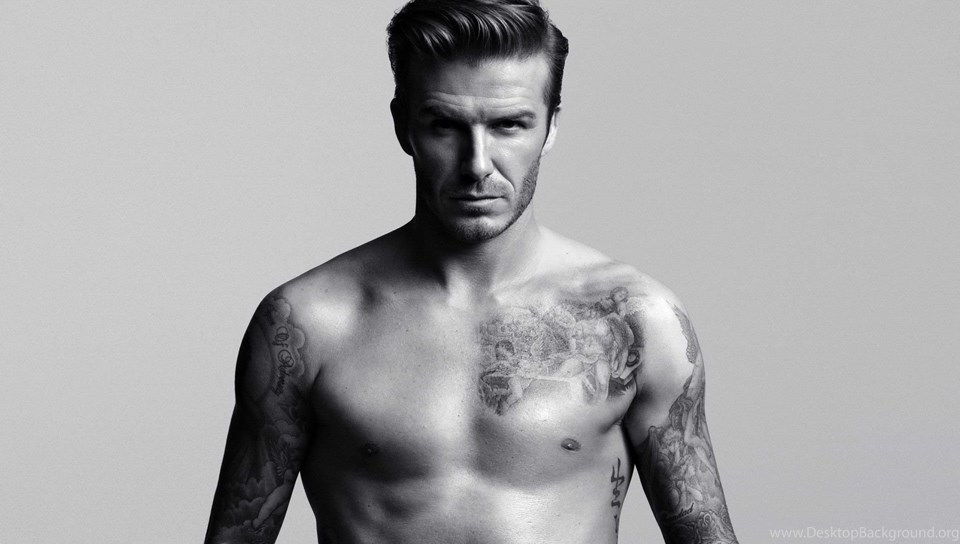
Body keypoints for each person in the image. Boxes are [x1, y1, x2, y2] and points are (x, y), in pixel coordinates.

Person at [204, 1, 740, 543]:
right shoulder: (307, 326)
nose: (477, 164)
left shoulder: (634, 323)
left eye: (509, 125)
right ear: (403, 125)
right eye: (445, 126)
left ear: (551, 126)